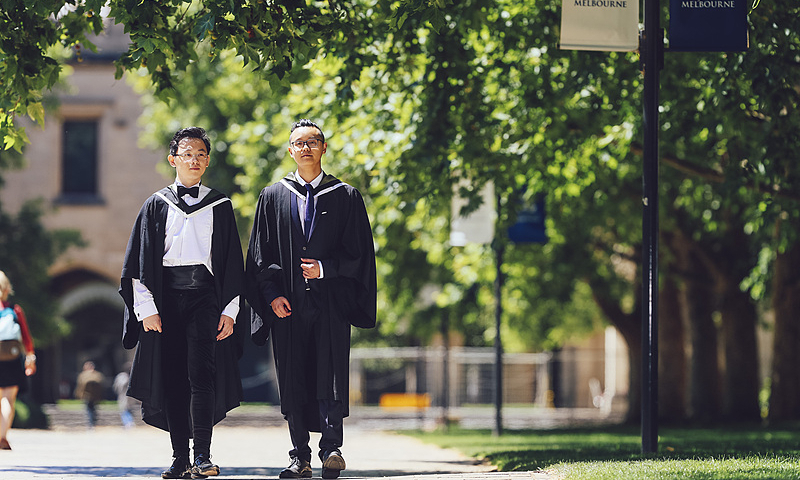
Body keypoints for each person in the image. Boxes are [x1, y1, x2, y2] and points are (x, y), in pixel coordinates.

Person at [246, 119, 377, 479]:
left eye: (312, 141)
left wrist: (327, 268)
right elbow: (260, 255)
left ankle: (332, 449)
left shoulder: (346, 196)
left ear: (323, 148)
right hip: (287, 306)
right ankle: (299, 455)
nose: (305, 148)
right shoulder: (272, 197)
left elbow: (360, 254)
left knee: (331, 372)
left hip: (332, 301)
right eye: (298, 143)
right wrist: (271, 296)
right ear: (290, 151)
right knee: (293, 375)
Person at [119, 127, 245, 479]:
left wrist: (229, 310)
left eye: (201, 153)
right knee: (174, 378)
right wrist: (147, 309)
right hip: (167, 301)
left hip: (205, 297)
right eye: (187, 153)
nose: (194, 159)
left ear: (207, 160)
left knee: (201, 376)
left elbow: (232, 262)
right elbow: (140, 262)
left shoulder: (219, 205)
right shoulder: (156, 205)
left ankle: (202, 456)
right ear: (173, 159)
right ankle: (179, 459)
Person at [0, 270, 36, 451]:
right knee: (7, 400)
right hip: (12, 358)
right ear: (6, 288)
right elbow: (26, 337)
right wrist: (30, 356)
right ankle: (3, 436)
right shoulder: (14, 310)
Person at [74, 360, 105, 429]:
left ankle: (90, 424)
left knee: (89, 409)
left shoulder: (83, 375)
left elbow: (80, 386)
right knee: (92, 409)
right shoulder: (98, 375)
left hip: (87, 396)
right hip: (95, 396)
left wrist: (78, 395)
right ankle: (92, 423)